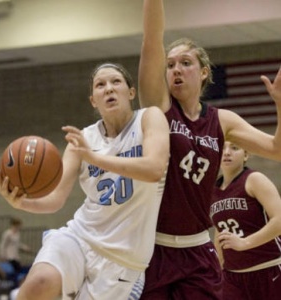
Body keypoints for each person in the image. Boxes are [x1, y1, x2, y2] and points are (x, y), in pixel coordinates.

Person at [139, 0, 281, 299]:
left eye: (185, 63)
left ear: (204, 73)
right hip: (156, 246)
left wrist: (280, 105)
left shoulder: (222, 120)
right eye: (170, 64)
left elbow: (276, 149)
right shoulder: (160, 108)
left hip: (198, 247)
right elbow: (152, 39)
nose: (176, 69)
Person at [0, 62, 170, 300]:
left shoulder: (149, 118)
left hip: (124, 260)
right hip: (80, 237)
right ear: (93, 101)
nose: (108, 89)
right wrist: (21, 203)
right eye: (100, 85)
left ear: (131, 93)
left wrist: (94, 157)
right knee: (39, 282)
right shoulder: (82, 139)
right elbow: (55, 199)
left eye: (116, 82)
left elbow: (154, 169)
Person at [211, 141, 281, 300]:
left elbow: (279, 220)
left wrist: (245, 242)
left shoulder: (254, 179)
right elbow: (220, 230)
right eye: (222, 148)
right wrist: (218, 264)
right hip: (232, 277)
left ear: (246, 155)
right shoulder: (213, 189)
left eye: (234, 148)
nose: (227, 152)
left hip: (268, 269)